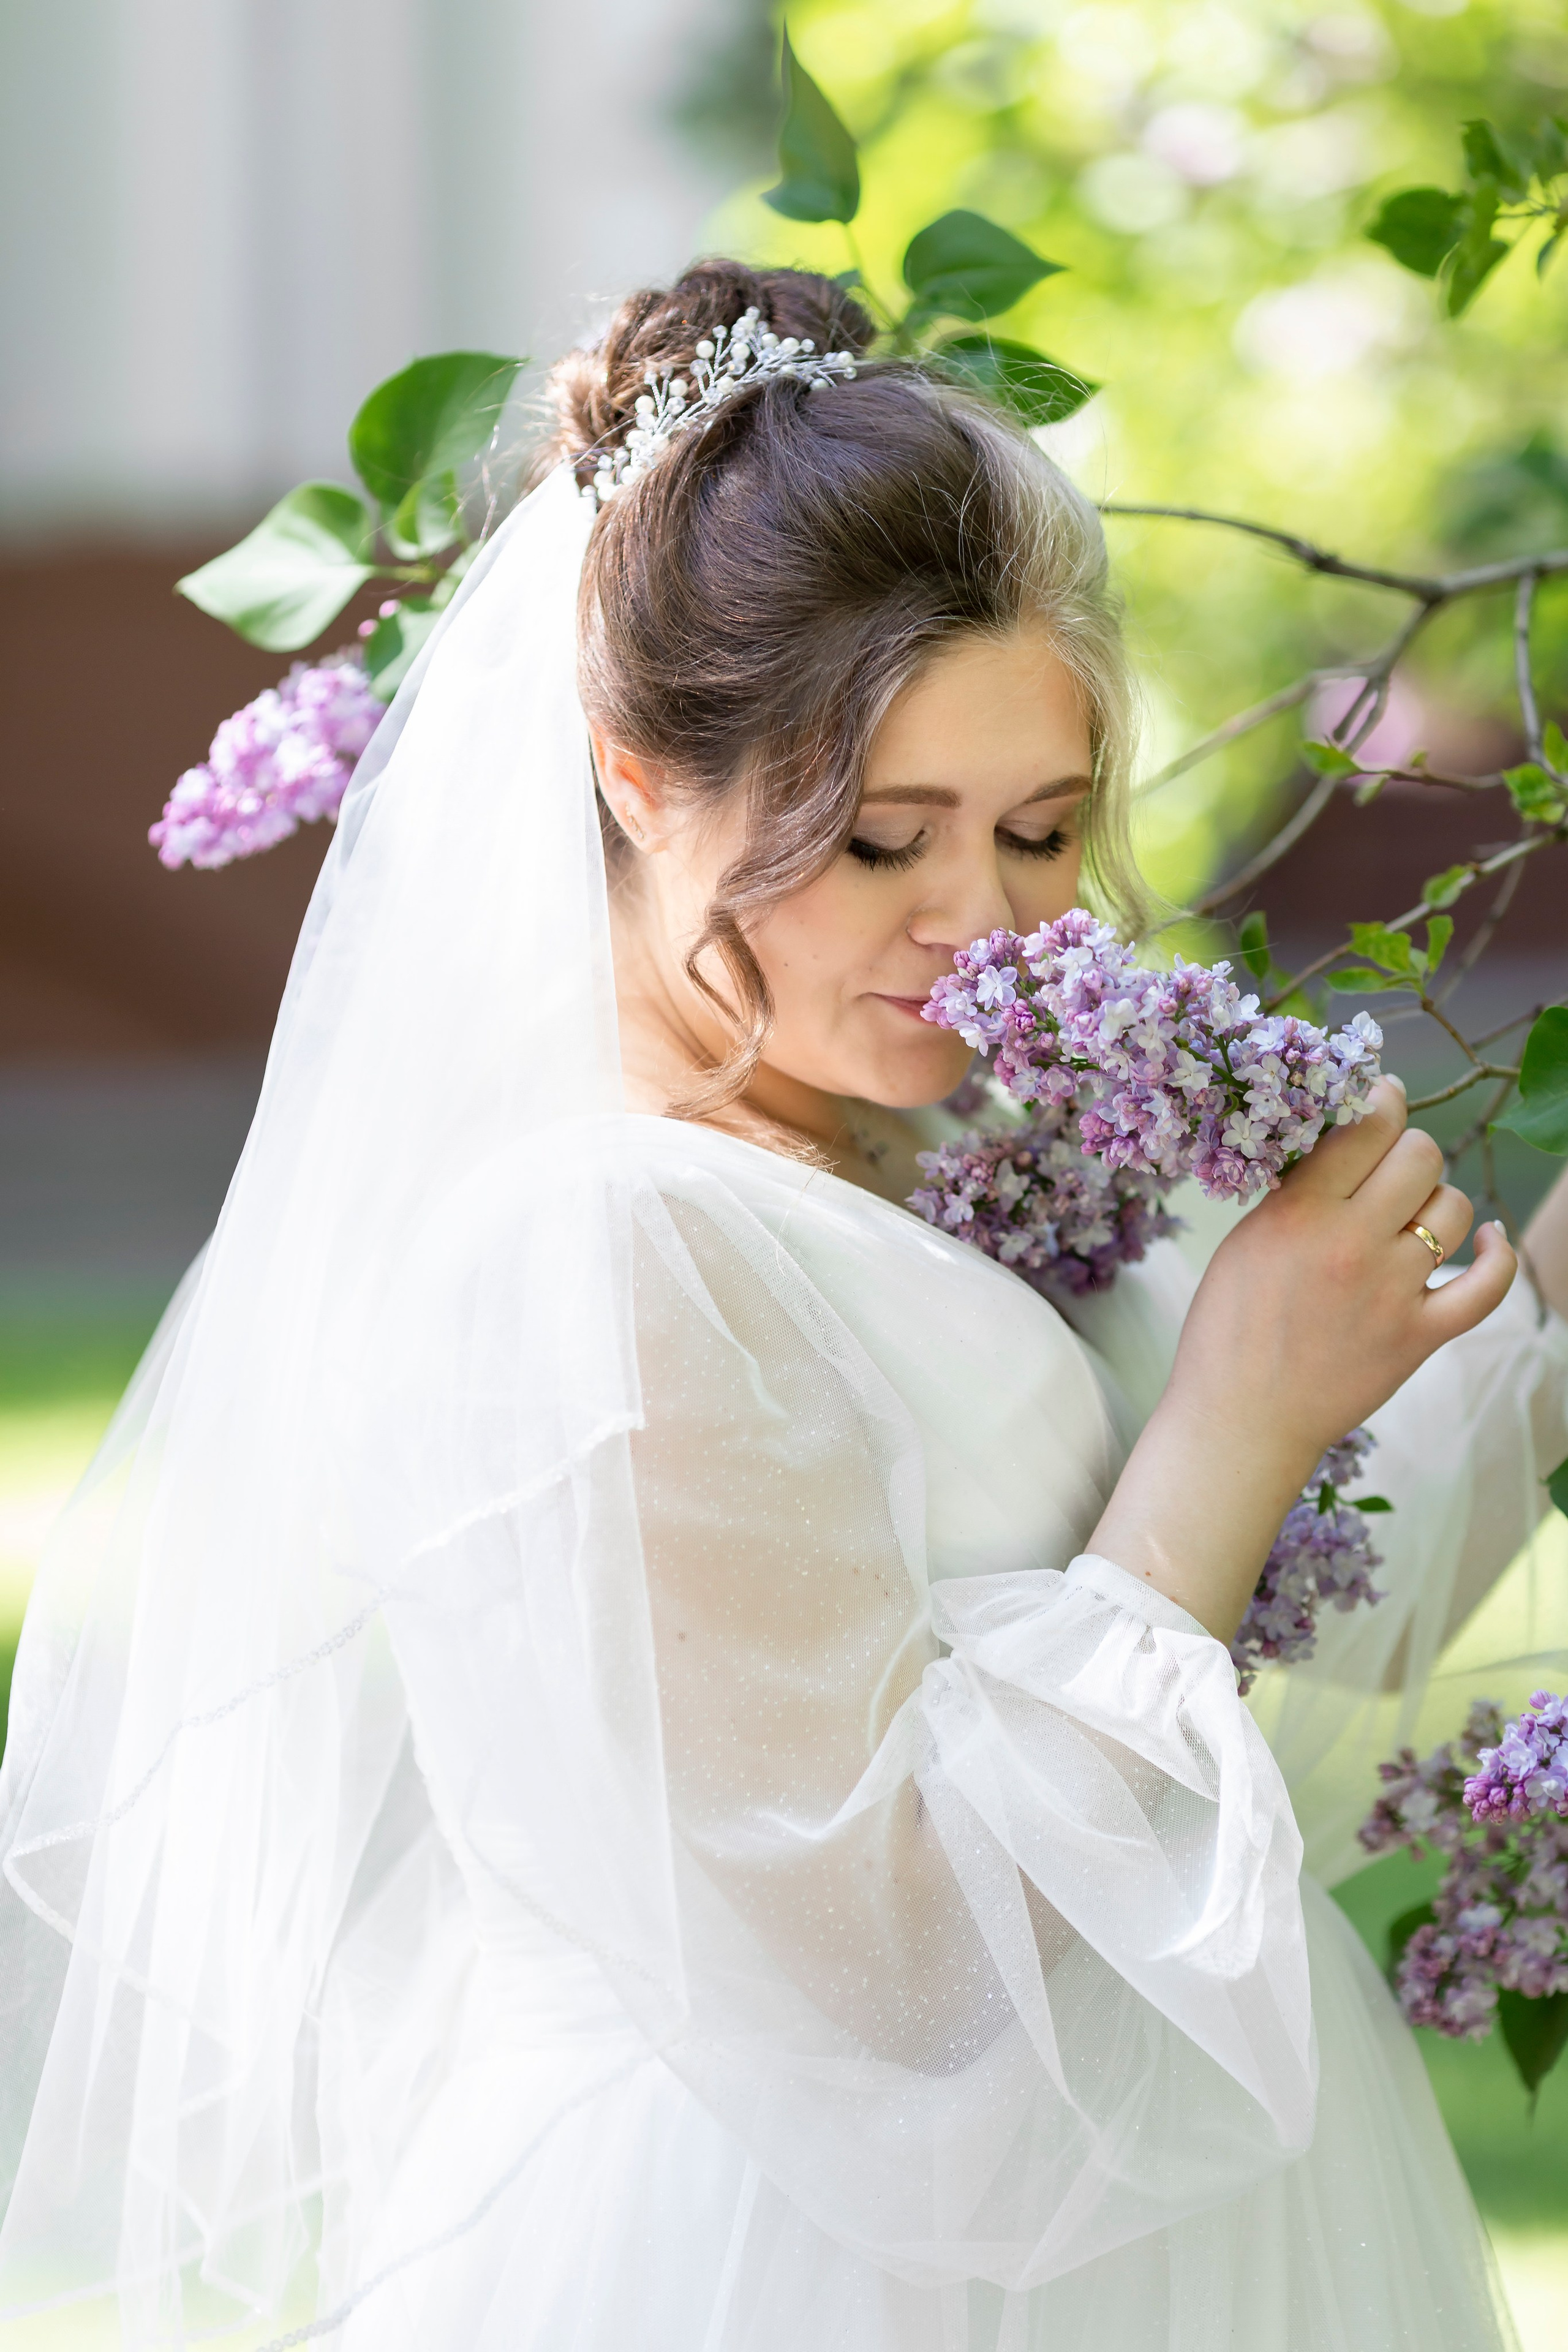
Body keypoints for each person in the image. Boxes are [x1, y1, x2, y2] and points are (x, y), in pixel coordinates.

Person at [2, 260, 1566, 2352]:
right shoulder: (593, 1255)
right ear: (636, 782)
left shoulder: (959, 1137)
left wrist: (1386, 1357)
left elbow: (1323, 1605)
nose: (981, 928)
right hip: (803, 2265)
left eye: (1041, 832)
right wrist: (1237, 1415)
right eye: (878, 844)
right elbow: (905, 1965)